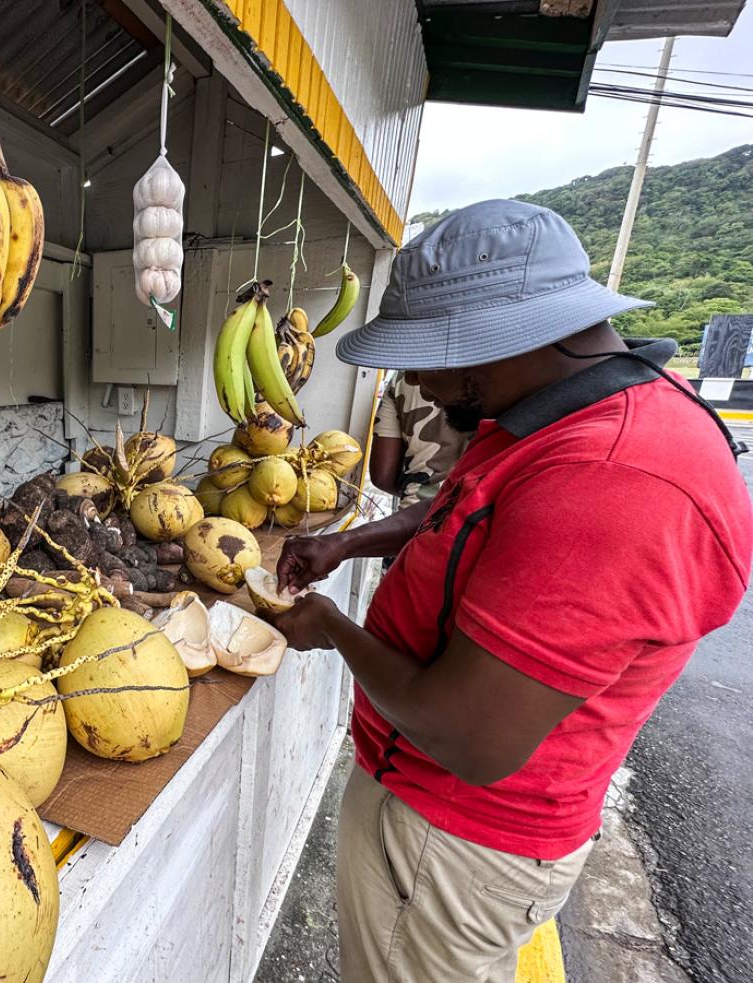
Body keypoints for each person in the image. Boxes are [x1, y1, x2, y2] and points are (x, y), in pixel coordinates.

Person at [265, 199, 752, 983]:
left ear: (498, 338)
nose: (416, 379)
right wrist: (352, 540)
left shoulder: (609, 484)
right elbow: (472, 508)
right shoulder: (568, 419)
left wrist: (336, 629)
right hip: (434, 822)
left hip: (452, 844)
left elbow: (469, 737)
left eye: (426, 355)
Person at [370, 372, 473, 508]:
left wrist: (418, 493)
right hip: (478, 514)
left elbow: (382, 477)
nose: (425, 393)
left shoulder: (406, 374)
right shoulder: (498, 377)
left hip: (415, 515)